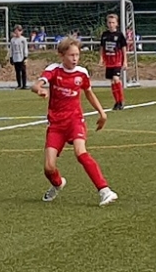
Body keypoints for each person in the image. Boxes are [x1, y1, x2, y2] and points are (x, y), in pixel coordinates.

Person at [33, 36, 117, 206]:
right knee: (49, 167)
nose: (75, 58)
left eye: (77, 55)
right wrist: (39, 90)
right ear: (61, 55)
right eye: (71, 55)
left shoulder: (82, 73)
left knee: (80, 152)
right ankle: (58, 184)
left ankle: (105, 190)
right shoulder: (54, 70)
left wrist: (102, 113)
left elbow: (89, 93)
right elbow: (36, 85)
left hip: (75, 121)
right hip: (56, 125)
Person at [99, 13, 128, 110]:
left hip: (117, 61)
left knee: (116, 79)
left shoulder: (119, 35)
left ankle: (121, 100)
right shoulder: (104, 35)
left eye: (113, 22)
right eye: (109, 22)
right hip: (109, 62)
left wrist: (125, 61)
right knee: (112, 81)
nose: (111, 24)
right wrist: (101, 58)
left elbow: (124, 48)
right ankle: (117, 102)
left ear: (117, 24)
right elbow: (102, 48)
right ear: (107, 23)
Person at [9, 25, 29, 89]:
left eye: (18, 31)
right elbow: (11, 49)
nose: (17, 32)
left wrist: (25, 57)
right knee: (17, 72)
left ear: (21, 32)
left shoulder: (23, 39)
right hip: (15, 58)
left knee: (23, 71)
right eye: (16, 31)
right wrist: (11, 57)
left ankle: (24, 85)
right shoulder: (13, 40)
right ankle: (19, 85)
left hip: (22, 57)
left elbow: (25, 48)